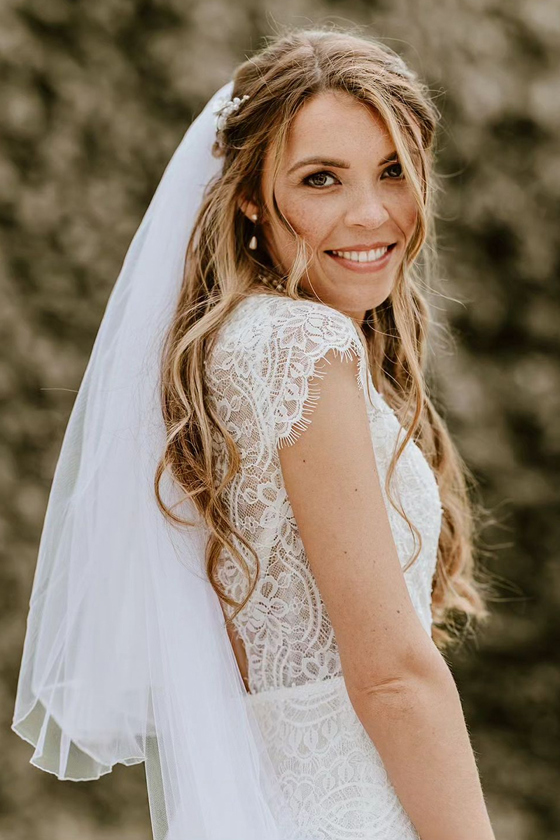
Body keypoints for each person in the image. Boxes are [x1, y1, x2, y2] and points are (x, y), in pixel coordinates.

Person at [12, 25, 497, 840]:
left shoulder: (230, 342)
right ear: (247, 194)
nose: (371, 212)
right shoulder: (304, 347)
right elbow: (391, 677)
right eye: (320, 180)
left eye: (392, 171)